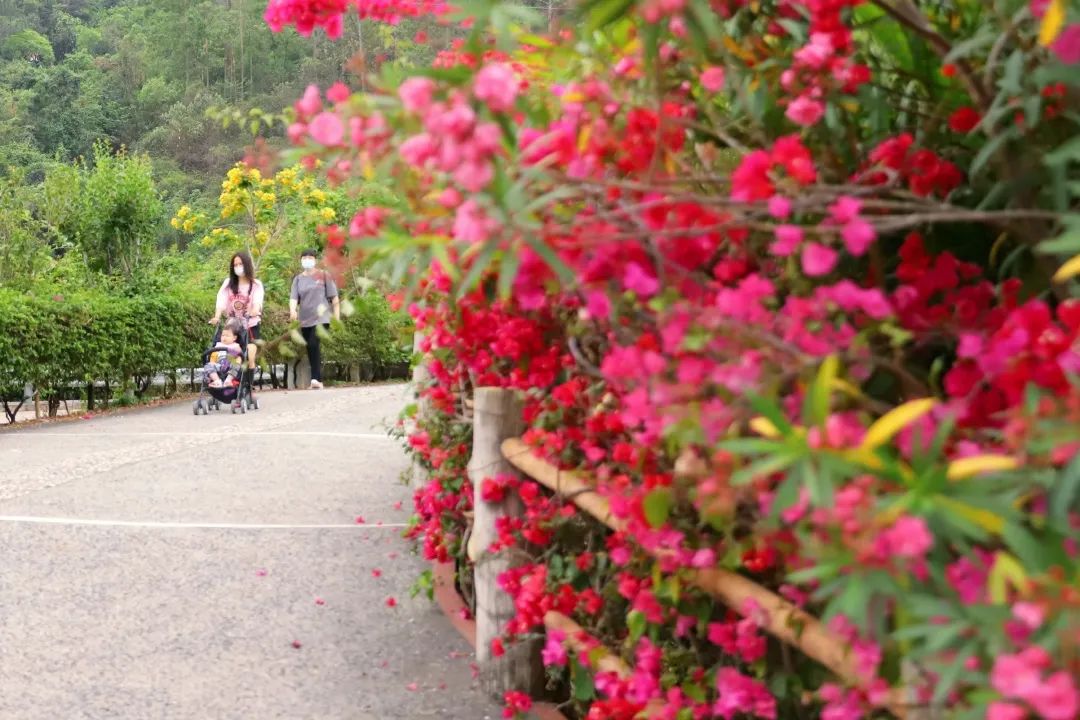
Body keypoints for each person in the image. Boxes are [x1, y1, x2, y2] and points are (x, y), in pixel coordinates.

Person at [289, 249, 341, 389]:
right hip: (305, 320)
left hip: (322, 318)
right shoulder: (298, 279)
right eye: (304, 257)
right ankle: (317, 380)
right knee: (311, 348)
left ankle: (315, 379)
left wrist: (337, 317)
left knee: (313, 343)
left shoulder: (324, 276)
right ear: (301, 260)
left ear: (315, 259)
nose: (307, 260)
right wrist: (292, 310)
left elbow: (334, 297)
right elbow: (294, 298)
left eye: (310, 257)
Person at [209, 251, 264, 377]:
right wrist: (217, 316)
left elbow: (257, 302)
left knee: (250, 355)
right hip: (233, 325)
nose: (238, 267)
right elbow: (221, 301)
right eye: (235, 265)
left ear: (247, 265)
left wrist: (255, 310)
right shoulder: (228, 283)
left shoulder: (256, 284)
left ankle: (248, 386)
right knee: (228, 353)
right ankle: (228, 380)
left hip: (250, 324)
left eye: (241, 264)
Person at [204, 319, 244, 389]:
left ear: (234, 338)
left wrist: (235, 353)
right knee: (208, 365)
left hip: (230, 364)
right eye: (223, 335)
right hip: (218, 365)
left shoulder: (235, 346)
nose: (224, 337)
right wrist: (212, 362)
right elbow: (213, 355)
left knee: (238, 361)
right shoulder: (218, 345)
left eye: (227, 336)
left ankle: (228, 380)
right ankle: (217, 380)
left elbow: (240, 355)